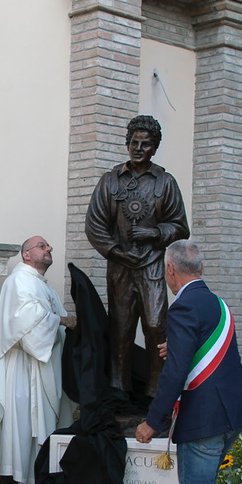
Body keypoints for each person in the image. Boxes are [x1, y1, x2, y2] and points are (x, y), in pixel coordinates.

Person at [135, 239, 242, 484]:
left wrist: (153, 421)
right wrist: (177, 349)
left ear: (170, 269)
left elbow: (175, 374)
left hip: (204, 418)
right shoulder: (216, 303)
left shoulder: (183, 305)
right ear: (199, 267)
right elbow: (206, 351)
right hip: (231, 413)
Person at [85, 114, 190, 401]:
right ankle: (119, 392)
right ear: (127, 143)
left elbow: (180, 226)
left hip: (152, 267)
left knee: (156, 327)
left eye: (145, 144)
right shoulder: (110, 181)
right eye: (134, 143)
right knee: (120, 330)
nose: (138, 149)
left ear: (154, 148)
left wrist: (154, 233)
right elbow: (95, 224)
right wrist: (117, 251)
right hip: (120, 267)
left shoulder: (165, 182)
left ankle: (157, 394)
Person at [0, 235, 75, 484]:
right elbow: (25, 323)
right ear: (26, 254)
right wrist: (63, 320)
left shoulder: (42, 285)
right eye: (41, 246)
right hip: (21, 369)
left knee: (37, 428)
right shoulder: (19, 281)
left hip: (43, 367)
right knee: (18, 427)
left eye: (48, 246)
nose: (48, 249)